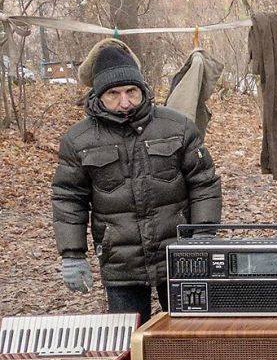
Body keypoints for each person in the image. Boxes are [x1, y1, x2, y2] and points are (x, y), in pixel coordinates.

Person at [51, 38, 222, 325]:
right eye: (113, 94)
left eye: (131, 91)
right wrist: (72, 254)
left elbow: (203, 182)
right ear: (98, 96)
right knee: (128, 339)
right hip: (121, 261)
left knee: (189, 334)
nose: (125, 102)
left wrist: (203, 234)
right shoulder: (78, 140)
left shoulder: (177, 126)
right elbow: (68, 197)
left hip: (179, 255)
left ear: (143, 89)